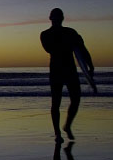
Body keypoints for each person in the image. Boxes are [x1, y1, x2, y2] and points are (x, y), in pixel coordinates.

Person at [40, 8, 94, 144]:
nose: (58, 18)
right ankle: (57, 133)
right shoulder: (45, 34)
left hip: (70, 70)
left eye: (60, 16)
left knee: (76, 99)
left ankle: (67, 125)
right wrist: (67, 42)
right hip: (56, 71)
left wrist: (90, 65)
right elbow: (49, 48)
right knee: (55, 103)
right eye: (55, 16)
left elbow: (82, 49)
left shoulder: (71, 32)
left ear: (62, 18)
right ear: (50, 18)